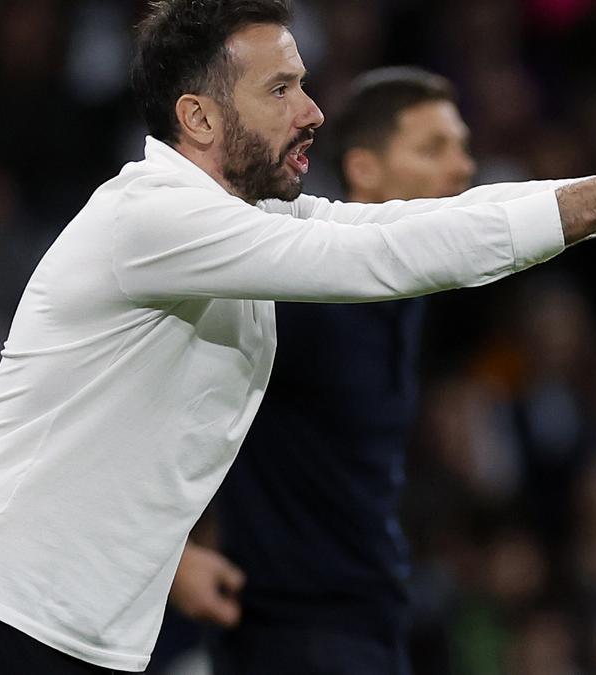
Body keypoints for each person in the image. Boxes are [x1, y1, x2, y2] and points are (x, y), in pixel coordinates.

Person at [0, 0, 596, 672]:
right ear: (198, 117)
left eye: (304, 83)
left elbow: (409, 221)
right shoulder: (150, 218)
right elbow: (380, 254)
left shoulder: (242, 222)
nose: (312, 111)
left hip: (82, 634)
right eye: (280, 90)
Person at [166, 66, 477, 675]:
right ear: (364, 170)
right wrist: (170, 557)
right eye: (434, 148)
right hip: (289, 631)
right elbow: (157, 392)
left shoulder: (411, 295)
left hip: (373, 615)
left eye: (462, 147)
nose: (462, 167)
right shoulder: (300, 291)